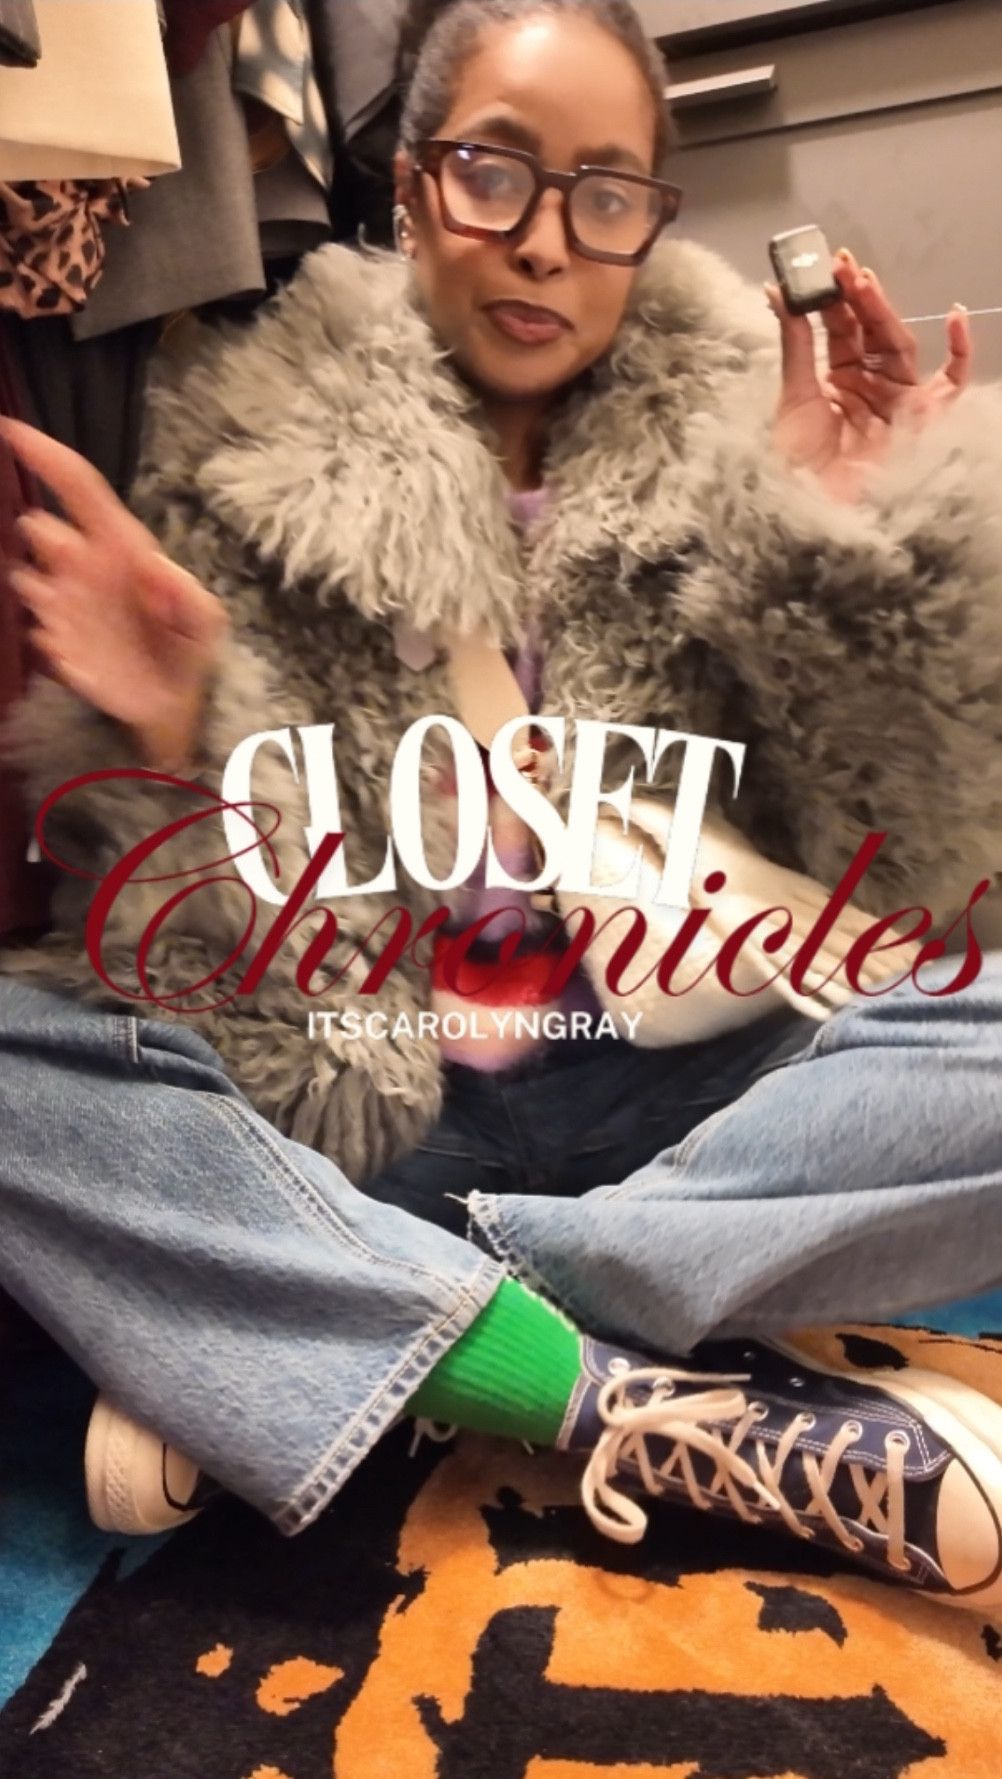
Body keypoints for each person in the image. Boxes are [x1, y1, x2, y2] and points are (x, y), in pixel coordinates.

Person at [3, 0, 1002, 1609]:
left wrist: (834, 551)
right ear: (409, 190)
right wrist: (179, 728)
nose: (544, 241)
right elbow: (209, 984)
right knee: (14, 1058)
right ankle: (590, 1386)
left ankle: (334, 1324)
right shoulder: (242, 459)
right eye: (494, 173)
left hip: (696, 1098)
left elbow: (900, 880)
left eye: (604, 194)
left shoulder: (741, 433)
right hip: (370, 1106)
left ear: (650, 226)